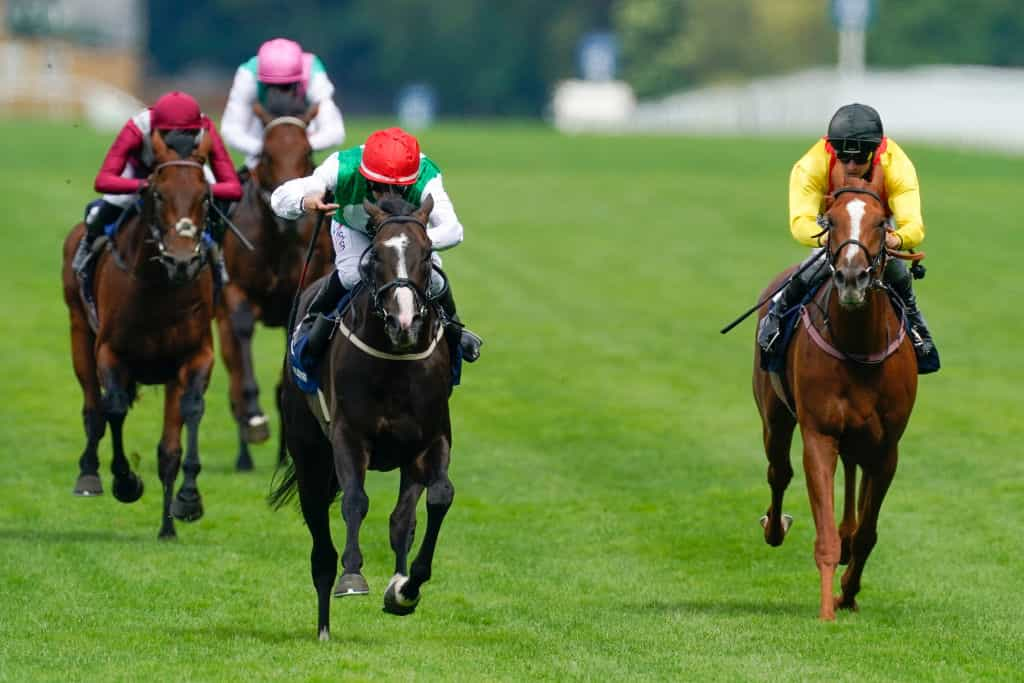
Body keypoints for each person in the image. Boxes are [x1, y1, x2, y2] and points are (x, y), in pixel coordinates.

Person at [270, 126, 483, 371]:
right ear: (365, 175)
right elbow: (278, 197)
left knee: (433, 277)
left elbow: (454, 230)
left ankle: (456, 331)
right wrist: (304, 200)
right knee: (352, 274)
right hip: (352, 227)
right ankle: (311, 321)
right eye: (379, 186)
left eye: (398, 188)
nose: (387, 195)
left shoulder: (427, 176)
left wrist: (405, 247)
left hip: (405, 237)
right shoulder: (340, 166)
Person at [757, 102, 939, 374]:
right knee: (813, 269)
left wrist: (897, 240)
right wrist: (829, 239)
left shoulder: (896, 164)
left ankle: (917, 327)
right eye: (844, 159)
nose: (852, 166)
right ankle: (777, 314)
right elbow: (800, 223)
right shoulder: (811, 165)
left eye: (859, 159)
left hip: (874, 225)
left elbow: (914, 225)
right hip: (833, 226)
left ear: (875, 151)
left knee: (898, 274)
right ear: (833, 150)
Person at [72, 91, 243, 284]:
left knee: (220, 211)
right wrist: (143, 185)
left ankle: (218, 255)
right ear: (155, 127)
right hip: (142, 172)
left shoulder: (206, 128)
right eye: (170, 134)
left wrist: (199, 192)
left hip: (189, 174)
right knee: (98, 214)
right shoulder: (137, 127)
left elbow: (234, 188)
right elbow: (103, 180)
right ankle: (87, 250)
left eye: (188, 134)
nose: (179, 141)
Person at [220, 38, 346, 174]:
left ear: (299, 79)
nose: (279, 94)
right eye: (273, 87)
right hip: (261, 136)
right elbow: (231, 130)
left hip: (302, 137)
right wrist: (265, 149)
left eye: (285, 87)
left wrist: (298, 147)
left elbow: (335, 132)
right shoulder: (248, 75)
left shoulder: (313, 73)